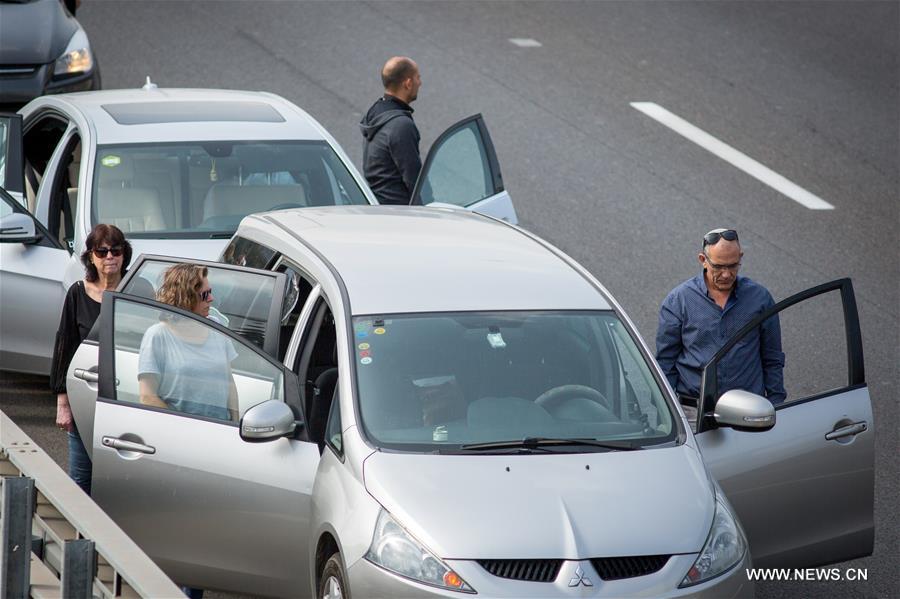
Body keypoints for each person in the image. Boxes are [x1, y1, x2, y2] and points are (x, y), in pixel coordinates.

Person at [655, 228, 786, 420]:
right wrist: (664, 412)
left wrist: (777, 405)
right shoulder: (679, 301)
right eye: (719, 267)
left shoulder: (760, 299)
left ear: (740, 257)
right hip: (694, 413)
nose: (726, 274)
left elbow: (772, 357)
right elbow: (665, 362)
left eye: (733, 266)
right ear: (703, 260)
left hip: (748, 410)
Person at [51, 224, 132, 495]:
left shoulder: (137, 288)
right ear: (91, 257)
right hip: (86, 396)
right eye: (102, 251)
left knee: (122, 481)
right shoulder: (77, 292)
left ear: (124, 254)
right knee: (80, 480)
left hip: (126, 398)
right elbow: (65, 345)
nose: (110, 257)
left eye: (116, 250)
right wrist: (63, 402)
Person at [138, 264, 239, 422]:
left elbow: (229, 382)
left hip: (220, 430)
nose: (211, 299)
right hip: (180, 432)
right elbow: (147, 397)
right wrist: (184, 425)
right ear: (186, 298)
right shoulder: (157, 335)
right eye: (205, 295)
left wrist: (234, 422)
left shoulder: (216, 327)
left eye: (210, 293)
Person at [359, 56, 423, 205]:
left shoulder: (376, 113)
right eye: (418, 78)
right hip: (401, 213)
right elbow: (415, 180)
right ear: (408, 83)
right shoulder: (401, 125)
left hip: (381, 207)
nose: (420, 83)